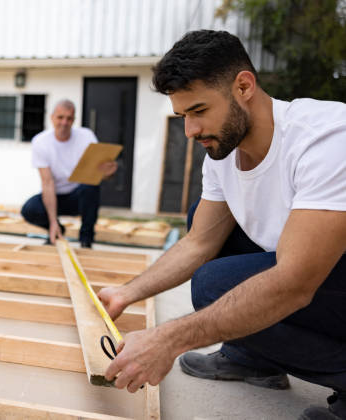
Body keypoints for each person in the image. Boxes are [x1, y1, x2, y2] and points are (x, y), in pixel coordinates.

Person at [97, 30, 346, 420]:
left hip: (326, 272)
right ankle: (255, 357)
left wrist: (167, 339)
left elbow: (296, 282)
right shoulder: (222, 156)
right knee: (208, 222)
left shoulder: (326, 139)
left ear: (244, 86)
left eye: (199, 111)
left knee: (214, 284)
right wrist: (127, 293)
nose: (190, 131)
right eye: (182, 117)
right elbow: (198, 243)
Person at [21, 99, 117, 248]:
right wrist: (53, 222)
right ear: (52, 118)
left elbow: (97, 176)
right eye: (60, 117)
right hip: (55, 196)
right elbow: (47, 183)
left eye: (69, 118)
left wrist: (108, 173)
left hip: (78, 197)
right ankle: (57, 231)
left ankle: (86, 240)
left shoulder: (86, 136)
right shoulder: (40, 142)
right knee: (29, 209)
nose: (64, 122)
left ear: (74, 120)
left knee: (90, 187)